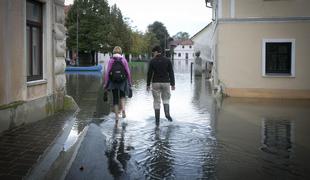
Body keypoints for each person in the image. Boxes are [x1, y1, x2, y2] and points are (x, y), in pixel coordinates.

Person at [147, 45, 175, 126]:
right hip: (166, 83)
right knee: (166, 100)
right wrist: (173, 84)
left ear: (156, 52)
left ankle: (157, 122)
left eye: (153, 53)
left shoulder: (152, 61)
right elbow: (171, 73)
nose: (153, 54)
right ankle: (167, 116)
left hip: (155, 83)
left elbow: (149, 74)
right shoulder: (167, 60)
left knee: (156, 102)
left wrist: (148, 84)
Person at [104, 46, 132, 121]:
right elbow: (128, 72)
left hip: (113, 82)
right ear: (121, 52)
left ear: (113, 52)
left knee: (115, 99)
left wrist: (106, 84)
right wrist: (129, 82)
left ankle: (116, 117)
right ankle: (123, 110)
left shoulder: (111, 60)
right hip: (123, 81)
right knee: (122, 97)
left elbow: (107, 73)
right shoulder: (123, 60)